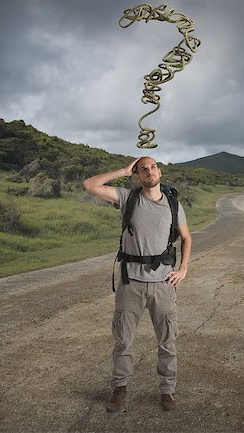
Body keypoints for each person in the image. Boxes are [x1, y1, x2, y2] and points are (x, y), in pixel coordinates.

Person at [83, 156, 192, 413]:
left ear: (160, 172)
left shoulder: (174, 205)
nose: (149, 171)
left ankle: (167, 391)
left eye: (153, 167)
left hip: (163, 284)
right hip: (130, 283)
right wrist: (121, 170)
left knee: (167, 341)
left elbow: (186, 237)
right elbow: (90, 184)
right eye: (143, 169)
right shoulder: (128, 198)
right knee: (123, 340)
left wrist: (184, 269)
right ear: (137, 175)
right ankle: (120, 389)